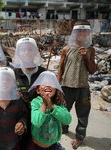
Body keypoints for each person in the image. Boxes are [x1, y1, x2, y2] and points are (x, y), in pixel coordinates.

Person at [57, 20, 96, 149]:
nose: (81, 33)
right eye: (79, 30)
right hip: (67, 87)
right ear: (74, 32)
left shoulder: (91, 50)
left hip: (83, 89)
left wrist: (86, 57)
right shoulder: (66, 49)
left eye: (85, 31)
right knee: (63, 110)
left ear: (88, 33)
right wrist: (57, 87)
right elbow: (61, 68)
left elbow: (92, 70)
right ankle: (63, 128)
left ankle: (79, 136)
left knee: (83, 114)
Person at [13, 37, 46, 150]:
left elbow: (54, 96)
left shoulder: (44, 73)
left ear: (35, 52)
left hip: (40, 121)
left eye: (30, 49)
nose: (26, 52)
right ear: (18, 53)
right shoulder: (13, 73)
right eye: (23, 50)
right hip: (19, 122)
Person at [27, 71, 71, 150]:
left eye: (51, 84)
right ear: (38, 90)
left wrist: (52, 107)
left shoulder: (58, 103)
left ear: (56, 89)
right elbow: (36, 122)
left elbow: (67, 120)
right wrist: (45, 104)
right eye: (44, 83)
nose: (48, 85)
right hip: (36, 146)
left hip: (52, 145)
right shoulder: (36, 102)